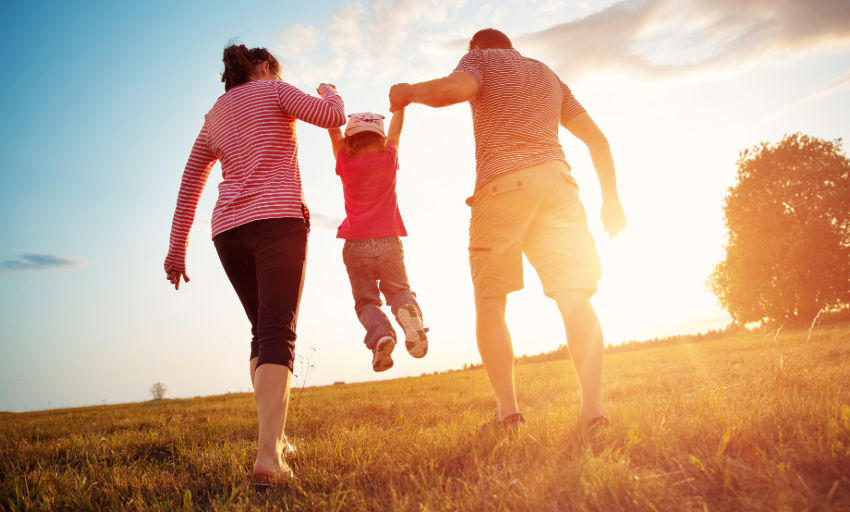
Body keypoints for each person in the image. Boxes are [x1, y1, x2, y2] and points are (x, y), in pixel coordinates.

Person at [388, 28, 627, 435]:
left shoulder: (480, 60)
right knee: (574, 297)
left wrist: (408, 92)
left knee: (491, 301)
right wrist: (612, 200)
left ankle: (509, 415)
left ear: (476, 47)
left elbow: (452, 90)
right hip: (558, 187)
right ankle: (594, 413)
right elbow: (598, 142)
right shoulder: (548, 75)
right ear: (511, 46)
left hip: (503, 187)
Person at [163, 44, 345, 482]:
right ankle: (268, 458)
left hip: (228, 232)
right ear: (264, 67)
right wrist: (330, 90)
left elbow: (191, 181)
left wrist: (176, 248)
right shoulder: (274, 90)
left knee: (261, 333)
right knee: (278, 331)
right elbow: (331, 117)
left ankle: (275, 439)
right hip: (277, 220)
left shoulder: (214, 115)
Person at [327, 110, 428, 372]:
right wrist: (401, 107)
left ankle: (381, 335)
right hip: (389, 242)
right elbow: (396, 132)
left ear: (350, 142)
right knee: (399, 291)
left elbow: (333, 131)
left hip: (356, 245)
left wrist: (328, 96)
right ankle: (408, 311)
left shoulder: (345, 163)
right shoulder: (389, 157)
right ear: (381, 139)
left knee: (366, 302)